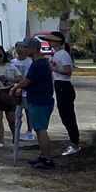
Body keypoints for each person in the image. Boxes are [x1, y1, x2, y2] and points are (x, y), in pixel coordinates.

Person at [13, 38, 57, 171]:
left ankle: (48, 159)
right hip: (39, 99)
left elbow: (27, 81)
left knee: (40, 129)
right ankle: (43, 156)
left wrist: (15, 87)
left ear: (34, 48)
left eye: (26, 47)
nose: (23, 49)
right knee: (38, 129)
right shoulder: (39, 62)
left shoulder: (38, 64)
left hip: (39, 101)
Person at [49, 32, 81, 156]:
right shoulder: (55, 54)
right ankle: (73, 141)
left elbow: (68, 71)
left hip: (64, 86)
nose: (50, 42)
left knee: (68, 115)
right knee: (64, 115)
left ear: (58, 41)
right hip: (58, 85)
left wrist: (53, 68)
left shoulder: (63, 54)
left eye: (52, 40)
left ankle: (75, 143)